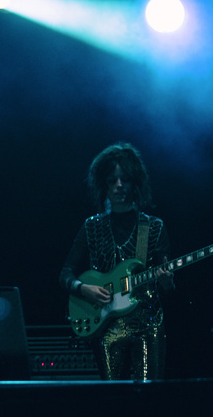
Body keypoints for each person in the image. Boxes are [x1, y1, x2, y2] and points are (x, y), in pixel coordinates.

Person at [59, 142, 174, 380]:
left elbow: (169, 288)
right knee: (113, 401)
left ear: (135, 183)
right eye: (112, 180)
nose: (119, 185)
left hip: (148, 322)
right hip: (106, 326)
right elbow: (66, 273)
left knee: (150, 398)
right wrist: (84, 288)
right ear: (104, 185)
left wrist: (166, 282)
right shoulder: (92, 226)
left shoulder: (153, 227)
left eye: (125, 179)